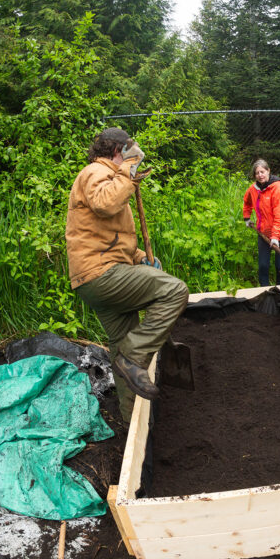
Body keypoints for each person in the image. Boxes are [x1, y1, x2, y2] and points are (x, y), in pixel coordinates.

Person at [66, 127, 189, 423]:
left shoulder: (111, 178)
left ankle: (131, 423)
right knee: (175, 291)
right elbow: (105, 204)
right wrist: (128, 173)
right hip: (101, 274)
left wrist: (142, 260)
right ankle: (133, 355)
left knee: (121, 348)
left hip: (97, 273)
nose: (131, 160)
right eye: (128, 153)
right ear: (117, 152)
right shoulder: (95, 172)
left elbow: (109, 239)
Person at [242, 159, 280, 286]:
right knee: (263, 265)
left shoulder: (277, 188)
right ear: (254, 175)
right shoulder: (253, 189)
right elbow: (247, 201)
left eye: (262, 171)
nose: (260, 175)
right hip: (263, 232)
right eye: (257, 173)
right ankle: (264, 292)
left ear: (268, 171)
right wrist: (247, 217)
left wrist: (275, 236)